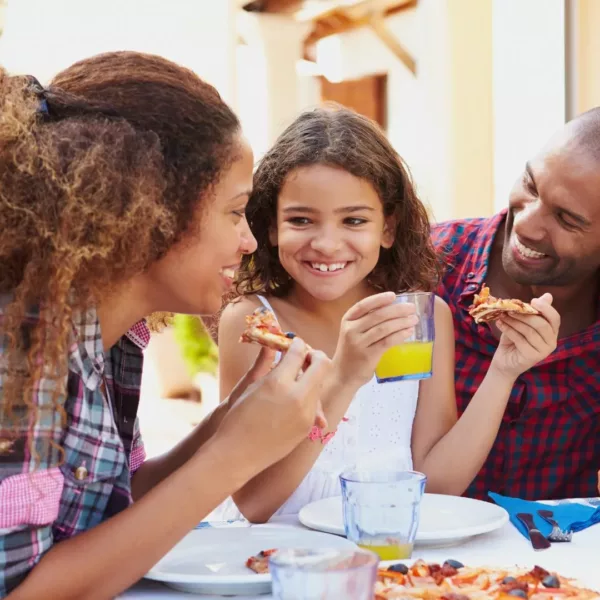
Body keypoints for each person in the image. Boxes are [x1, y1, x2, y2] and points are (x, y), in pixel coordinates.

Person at [0, 52, 331, 599]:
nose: (248, 241)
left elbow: (110, 507)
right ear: (150, 213)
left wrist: (229, 422)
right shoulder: (23, 347)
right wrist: (236, 457)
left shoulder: (112, 339)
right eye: (234, 212)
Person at [214, 106, 560, 524]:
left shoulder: (420, 319)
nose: (326, 244)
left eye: (354, 220)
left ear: (388, 228)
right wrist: (343, 378)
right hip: (269, 562)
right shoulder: (256, 325)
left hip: (386, 559)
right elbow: (257, 503)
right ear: (271, 227)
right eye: (301, 219)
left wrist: (503, 371)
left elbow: (435, 485)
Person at [432, 108, 600, 501]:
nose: (526, 223)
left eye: (566, 219)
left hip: (563, 558)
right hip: (420, 554)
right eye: (531, 184)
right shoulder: (424, 267)